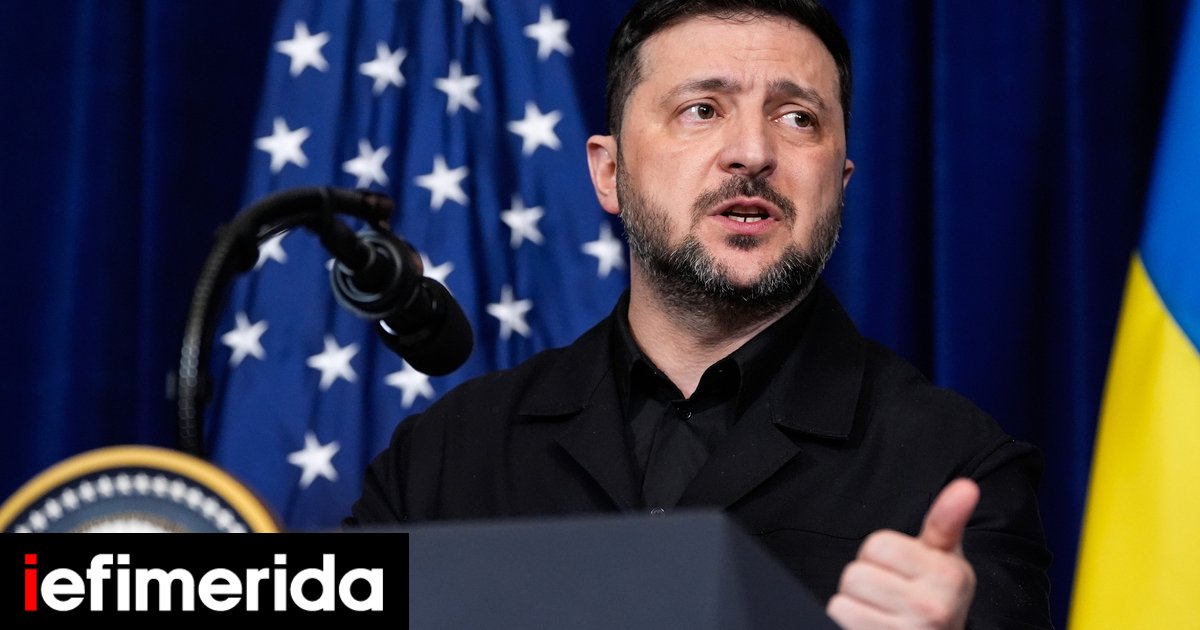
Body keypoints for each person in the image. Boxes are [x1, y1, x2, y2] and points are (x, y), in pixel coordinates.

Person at [349, 0, 1052, 627]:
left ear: (839, 184)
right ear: (609, 172)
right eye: (702, 110)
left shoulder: (955, 467)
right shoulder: (441, 457)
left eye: (797, 118)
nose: (752, 153)